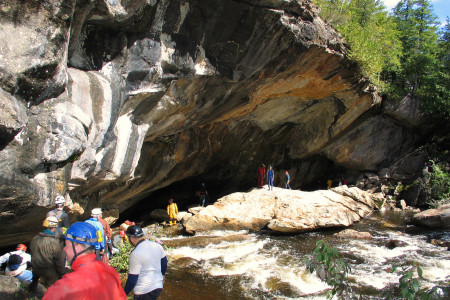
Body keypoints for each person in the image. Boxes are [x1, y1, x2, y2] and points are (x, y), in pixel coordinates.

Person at [42, 222, 127, 300]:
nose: (64, 249)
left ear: (78, 246)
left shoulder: (64, 287)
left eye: (66, 245)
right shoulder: (111, 272)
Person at [124, 225, 167, 299]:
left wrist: (124, 293)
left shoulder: (135, 253)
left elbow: (132, 279)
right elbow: (164, 262)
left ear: (131, 238)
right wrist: (162, 275)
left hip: (143, 290)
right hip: (158, 286)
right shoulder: (156, 245)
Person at [29, 216, 65, 290]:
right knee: (53, 288)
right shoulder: (54, 242)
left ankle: (32, 289)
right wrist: (62, 274)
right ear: (54, 227)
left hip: (36, 269)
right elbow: (59, 260)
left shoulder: (35, 238)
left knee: (34, 286)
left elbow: (32, 253)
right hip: (49, 271)